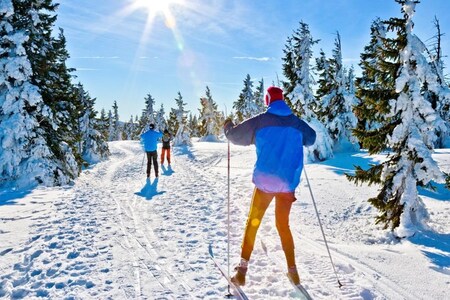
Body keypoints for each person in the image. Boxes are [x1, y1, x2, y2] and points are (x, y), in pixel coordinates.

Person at [223, 86, 316, 286]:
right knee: (283, 225)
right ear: (282, 100)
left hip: (265, 184)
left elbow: (235, 136)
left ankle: (242, 270)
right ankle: (293, 271)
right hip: (287, 184)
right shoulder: (296, 123)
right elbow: (312, 138)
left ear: (268, 101)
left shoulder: (260, 121)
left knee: (253, 222)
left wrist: (227, 126)